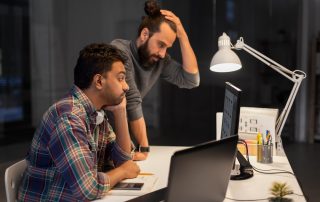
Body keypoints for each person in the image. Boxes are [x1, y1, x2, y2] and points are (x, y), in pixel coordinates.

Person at [18, 43, 140, 201]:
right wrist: (123, 172)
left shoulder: (95, 113)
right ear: (99, 82)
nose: (127, 87)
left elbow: (123, 160)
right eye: (121, 78)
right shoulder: (69, 117)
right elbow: (88, 189)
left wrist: (120, 112)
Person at [111, 0, 200, 160]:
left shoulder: (159, 60)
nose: (162, 53)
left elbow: (191, 80)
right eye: (161, 44)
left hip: (125, 144)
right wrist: (145, 148)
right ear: (145, 34)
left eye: (167, 48)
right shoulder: (120, 51)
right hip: (103, 139)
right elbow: (132, 100)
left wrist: (182, 35)